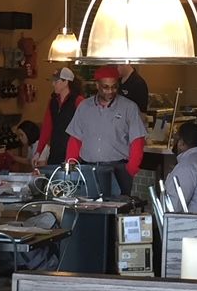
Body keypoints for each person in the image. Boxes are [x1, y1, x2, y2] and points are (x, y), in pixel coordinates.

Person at [63, 65, 147, 200]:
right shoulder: (84, 107)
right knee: (89, 210)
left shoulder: (129, 107)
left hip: (118, 169)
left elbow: (137, 140)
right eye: (105, 87)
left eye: (114, 87)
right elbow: (75, 139)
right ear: (97, 85)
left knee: (116, 213)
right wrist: (70, 167)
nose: (110, 91)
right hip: (88, 168)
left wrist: (130, 169)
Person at [35, 67, 84, 167]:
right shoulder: (52, 102)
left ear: (66, 82)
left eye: (56, 81)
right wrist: (38, 152)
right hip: (55, 151)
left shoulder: (78, 101)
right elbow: (47, 128)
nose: (53, 84)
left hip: (74, 154)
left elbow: (84, 130)